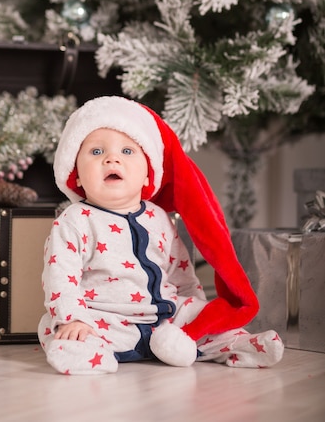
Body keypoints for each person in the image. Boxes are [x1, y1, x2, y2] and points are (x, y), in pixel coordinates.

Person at [38, 96, 284, 375]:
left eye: (128, 151)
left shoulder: (159, 218)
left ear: (147, 175)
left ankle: (238, 345)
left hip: (166, 320)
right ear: (77, 175)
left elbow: (182, 276)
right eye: (96, 152)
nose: (112, 158)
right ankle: (86, 353)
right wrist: (73, 320)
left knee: (200, 314)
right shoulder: (75, 221)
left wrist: (197, 312)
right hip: (107, 319)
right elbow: (60, 279)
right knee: (58, 328)